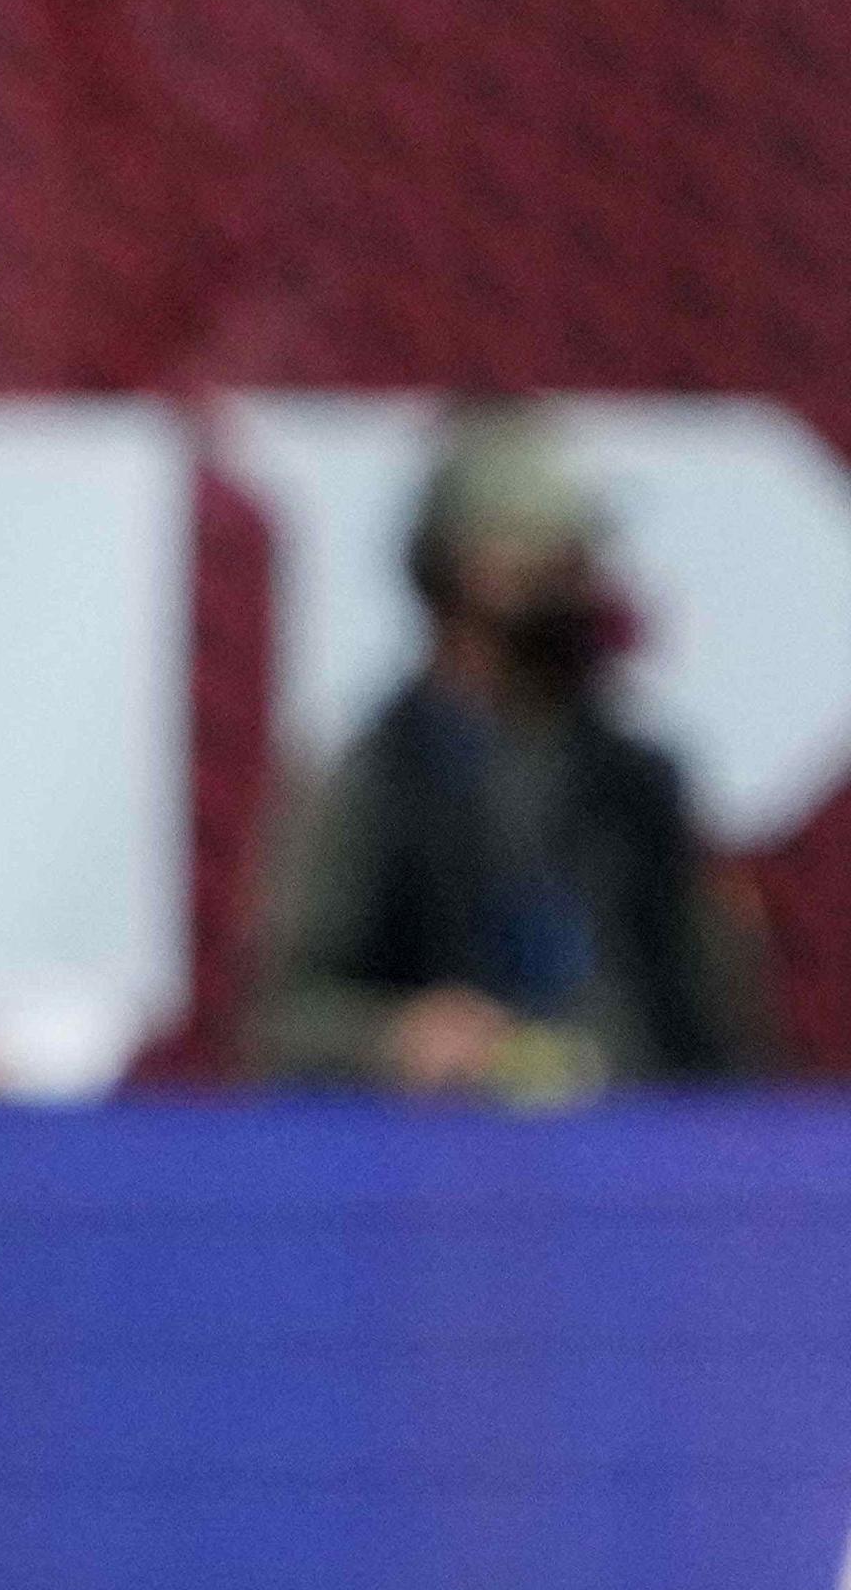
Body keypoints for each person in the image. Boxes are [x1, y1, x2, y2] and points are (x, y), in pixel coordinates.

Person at [251, 405, 767, 1101]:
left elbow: (723, 1035)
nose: (575, 579)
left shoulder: (638, 779)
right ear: (457, 567)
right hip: (439, 1171)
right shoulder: (377, 778)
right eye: (541, 552)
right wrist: (395, 1037)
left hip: (642, 1163)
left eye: (578, 555)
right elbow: (279, 1024)